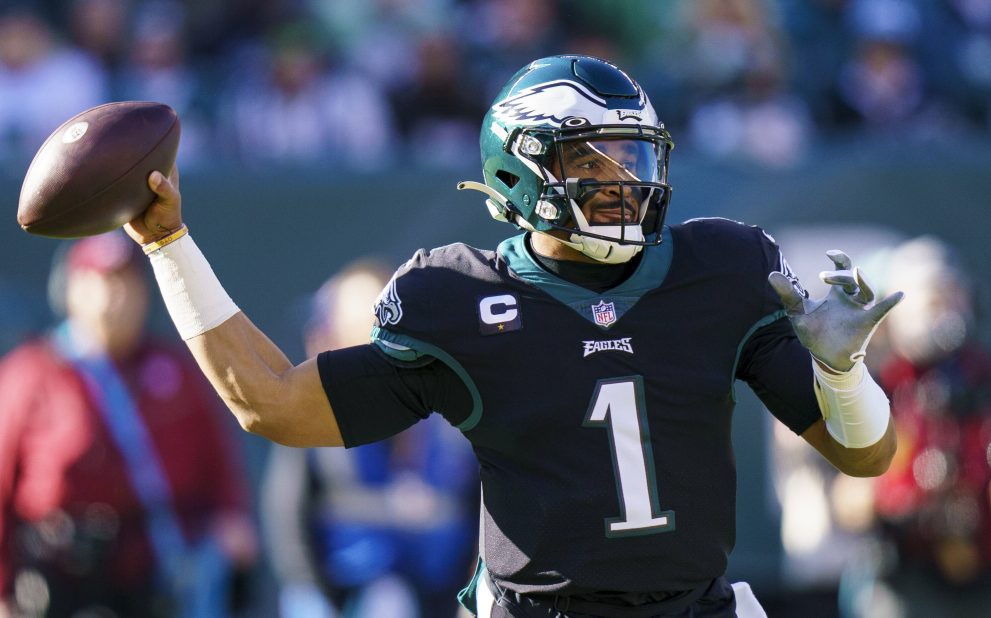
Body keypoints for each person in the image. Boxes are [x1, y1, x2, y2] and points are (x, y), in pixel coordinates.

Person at [124, 55, 902, 617]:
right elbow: (271, 404)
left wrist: (842, 372)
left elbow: (865, 457)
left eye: (633, 155)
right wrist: (170, 246)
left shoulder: (720, 269)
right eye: (592, 161)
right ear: (518, 174)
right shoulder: (461, 298)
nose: (622, 181)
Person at [0, 232, 258, 617]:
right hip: (62, 574)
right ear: (70, 290)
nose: (115, 297)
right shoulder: (33, 373)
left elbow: (219, 465)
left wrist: (231, 518)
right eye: (101, 281)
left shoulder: (174, 371)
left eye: (126, 282)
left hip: (156, 572)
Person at [262, 260, 478, 618]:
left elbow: (477, 508)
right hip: (344, 593)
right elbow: (287, 514)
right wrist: (319, 595)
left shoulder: (451, 413)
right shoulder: (316, 419)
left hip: (442, 594)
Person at [848, 236, 991, 618]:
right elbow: (847, 502)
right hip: (904, 573)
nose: (947, 312)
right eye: (934, 299)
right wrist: (904, 491)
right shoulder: (877, 385)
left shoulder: (981, 377)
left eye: (954, 295)